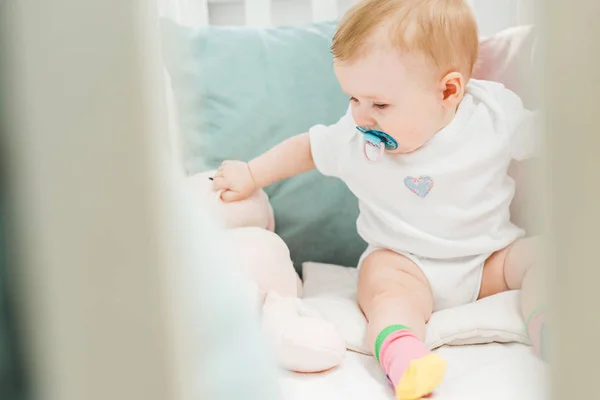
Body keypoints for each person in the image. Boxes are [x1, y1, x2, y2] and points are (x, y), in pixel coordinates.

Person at [212, 0, 545, 398]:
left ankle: (554, 326)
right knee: (383, 288)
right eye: (353, 99)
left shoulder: (493, 114)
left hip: (490, 259)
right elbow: (306, 149)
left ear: (449, 90)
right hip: (405, 264)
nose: (361, 116)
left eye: (379, 104)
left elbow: (550, 135)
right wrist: (252, 173)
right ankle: (403, 354)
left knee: (546, 258)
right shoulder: (355, 139)